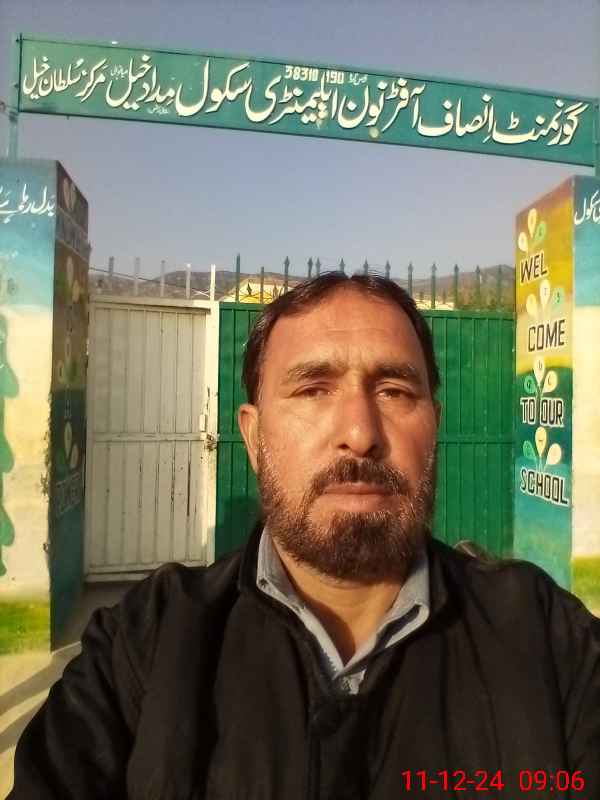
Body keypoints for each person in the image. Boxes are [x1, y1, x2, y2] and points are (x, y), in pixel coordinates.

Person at [9, 272, 600, 799]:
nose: (360, 433)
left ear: (434, 425)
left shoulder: (548, 639)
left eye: (394, 391)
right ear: (253, 436)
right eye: (313, 389)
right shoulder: (146, 644)